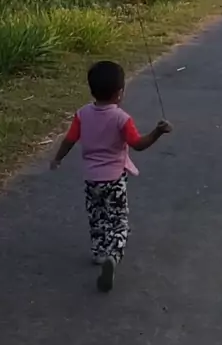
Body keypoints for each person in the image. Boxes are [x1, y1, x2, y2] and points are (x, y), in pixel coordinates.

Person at [50, 60, 172, 292]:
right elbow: (138, 144)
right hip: (114, 179)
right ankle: (113, 256)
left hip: (91, 179)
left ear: (92, 89)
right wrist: (157, 132)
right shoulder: (121, 118)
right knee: (118, 221)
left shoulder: (82, 114)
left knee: (97, 216)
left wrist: (57, 159)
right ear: (119, 93)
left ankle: (98, 252)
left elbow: (69, 140)